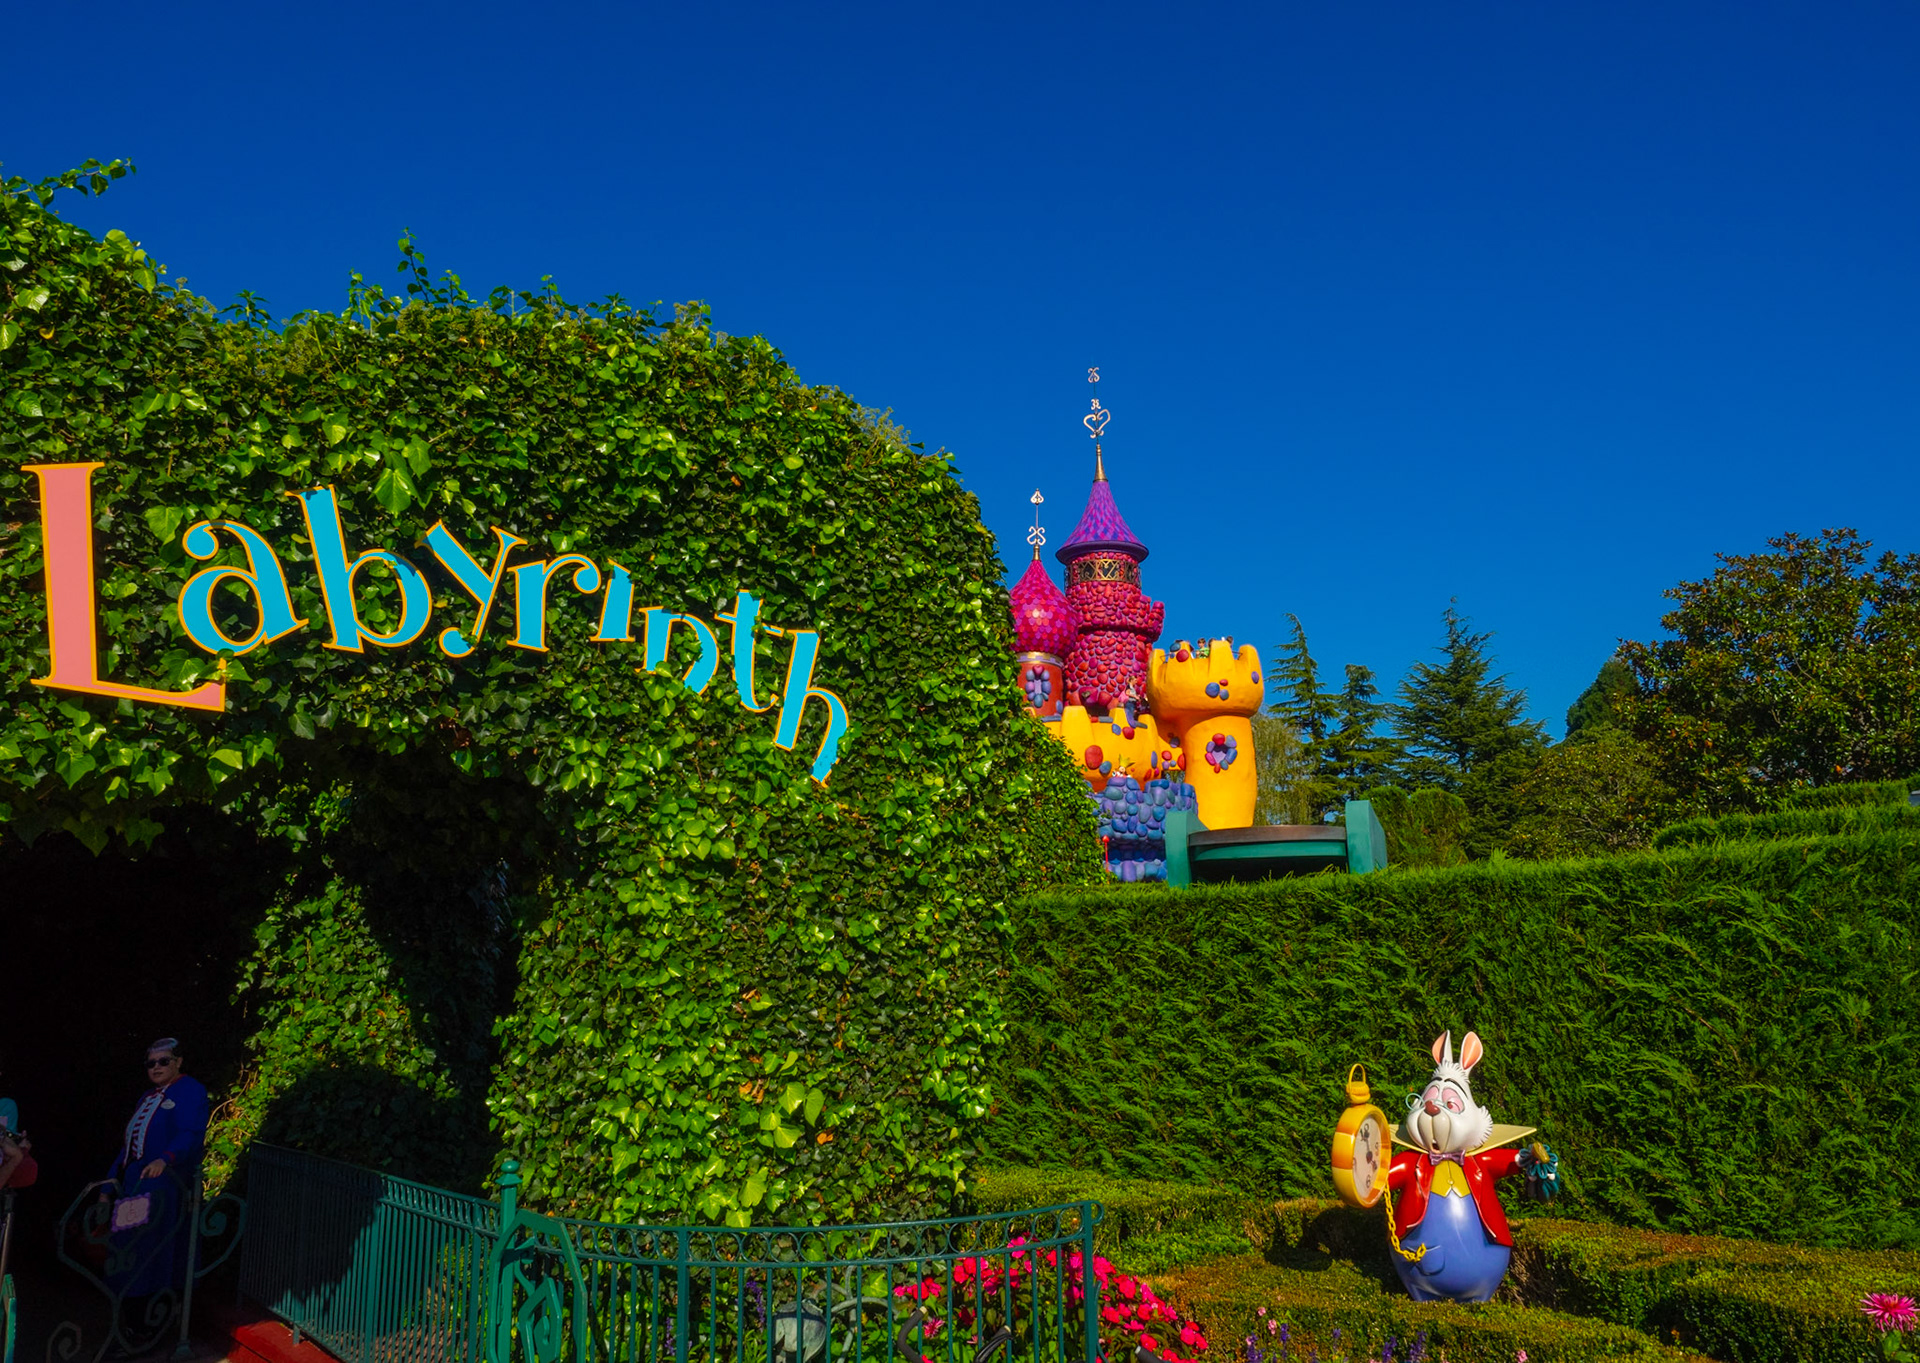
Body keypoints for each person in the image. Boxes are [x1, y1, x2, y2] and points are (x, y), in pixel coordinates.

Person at [103, 1038, 210, 1298]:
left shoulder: (190, 1090)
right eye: (151, 1063)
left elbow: (190, 1133)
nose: (156, 1067)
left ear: (178, 1062)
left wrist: (166, 1158)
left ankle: (151, 1303)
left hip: (163, 1184)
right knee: (129, 1244)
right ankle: (127, 1302)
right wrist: (108, 1185)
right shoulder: (147, 1096)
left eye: (163, 1061)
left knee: (152, 1247)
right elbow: (129, 1146)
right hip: (135, 1184)